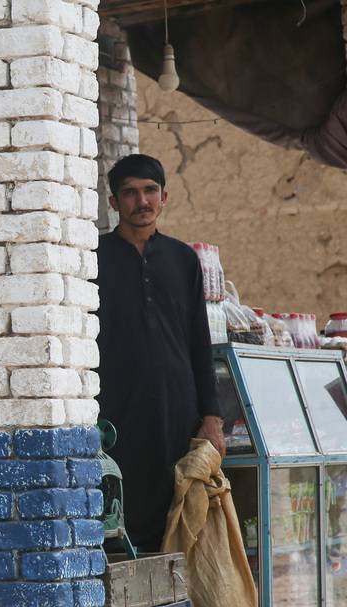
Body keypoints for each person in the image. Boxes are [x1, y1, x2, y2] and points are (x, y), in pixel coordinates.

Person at [95, 154, 224, 553]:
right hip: (115, 411)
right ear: (114, 202)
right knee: (121, 511)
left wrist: (212, 418)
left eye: (150, 191)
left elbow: (200, 343)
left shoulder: (183, 259)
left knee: (177, 516)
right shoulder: (91, 259)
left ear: (164, 197)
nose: (142, 201)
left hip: (176, 410)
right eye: (130, 193)